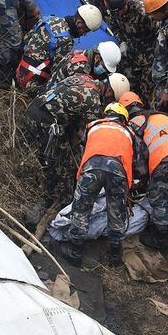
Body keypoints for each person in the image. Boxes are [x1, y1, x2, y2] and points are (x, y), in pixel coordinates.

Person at [27, 71, 132, 209]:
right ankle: (63, 200)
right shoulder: (93, 100)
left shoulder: (83, 78)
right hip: (45, 122)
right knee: (64, 164)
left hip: (34, 108)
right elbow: (89, 135)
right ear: (110, 91)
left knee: (52, 155)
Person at [61, 102, 145, 267]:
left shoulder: (92, 126)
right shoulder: (130, 133)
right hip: (118, 171)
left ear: (106, 114)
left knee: (81, 209)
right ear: (124, 119)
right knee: (116, 213)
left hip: (92, 168)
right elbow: (139, 162)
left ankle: (75, 253)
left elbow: (83, 146)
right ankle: (115, 257)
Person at [122, 92, 168, 250]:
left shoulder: (134, 123)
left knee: (159, 199)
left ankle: (160, 238)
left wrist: (140, 181)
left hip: (166, 158)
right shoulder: (161, 116)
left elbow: (139, 157)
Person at [16, 4, 104, 96]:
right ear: (78, 23)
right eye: (85, 30)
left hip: (19, 70)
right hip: (30, 83)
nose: (84, 35)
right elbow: (56, 73)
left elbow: (26, 38)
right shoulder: (66, 40)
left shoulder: (50, 19)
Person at [103, 0, 159, 99]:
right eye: (116, 11)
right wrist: (122, 41)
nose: (120, 13)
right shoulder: (113, 10)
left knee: (146, 93)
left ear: (126, 0)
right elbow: (114, 27)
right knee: (127, 88)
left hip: (148, 56)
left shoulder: (143, 11)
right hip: (129, 55)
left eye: (122, 9)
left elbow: (159, 33)